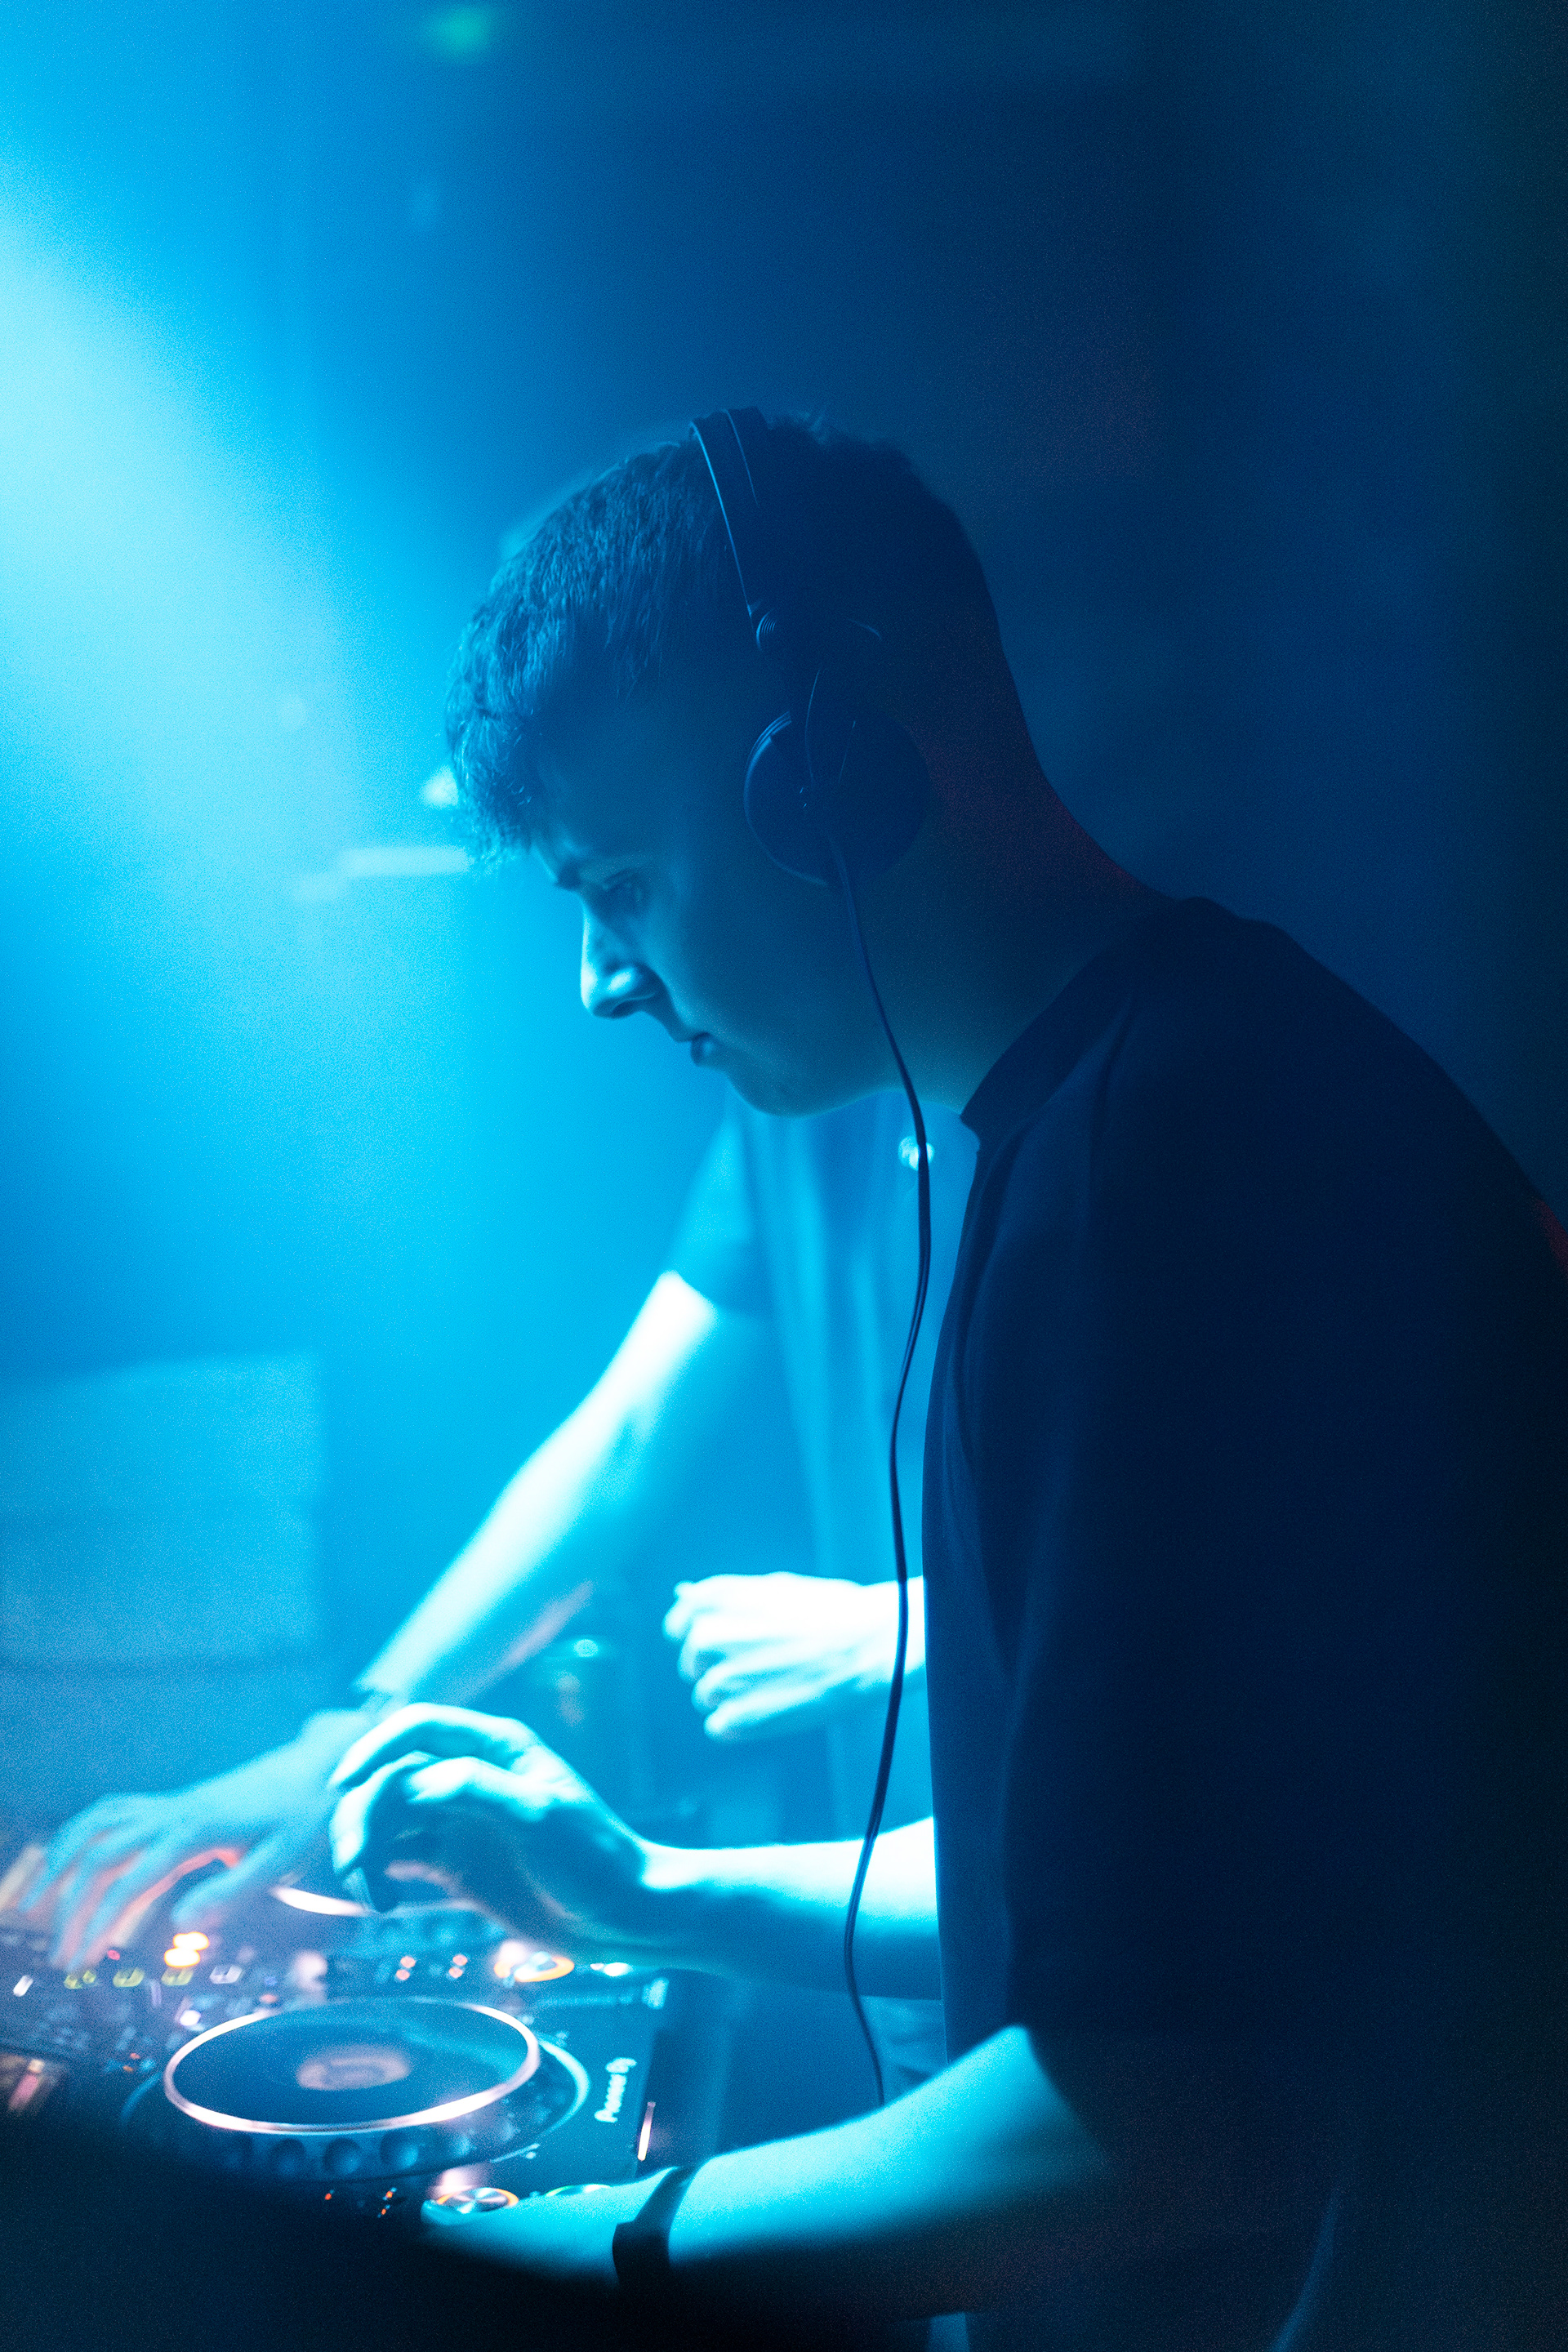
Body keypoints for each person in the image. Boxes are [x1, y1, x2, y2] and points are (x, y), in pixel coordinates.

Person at [328, 413, 1568, 2347]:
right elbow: (1176, 1930)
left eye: (623, 883)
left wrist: (580, 2247)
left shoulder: (1162, 1174)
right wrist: (644, 1886)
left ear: (826, 787)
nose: (600, 979)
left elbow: (1170, 2113)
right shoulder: (1144, 1105)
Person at [23, 1085, 973, 1988]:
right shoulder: (794, 1102)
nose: (607, 991)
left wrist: (917, 1624)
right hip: (898, 1890)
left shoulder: (1057, 1119)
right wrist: (347, 1741)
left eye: (627, 913)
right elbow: (628, 1440)